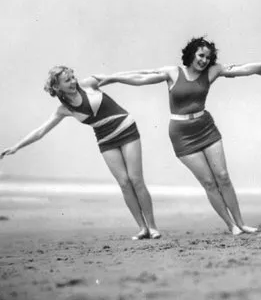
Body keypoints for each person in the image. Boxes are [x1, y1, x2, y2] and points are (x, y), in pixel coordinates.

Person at [97, 37, 261, 235]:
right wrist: (113, 78)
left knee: (223, 176)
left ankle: (240, 223)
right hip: (181, 135)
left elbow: (244, 69)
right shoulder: (173, 72)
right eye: (201, 55)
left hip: (205, 128)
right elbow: (141, 77)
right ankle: (230, 225)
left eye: (208, 57)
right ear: (191, 54)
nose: (204, 60)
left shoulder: (212, 71)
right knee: (208, 182)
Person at [0, 66, 161, 240]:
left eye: (73, 77)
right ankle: (142, 228)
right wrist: (16, 146)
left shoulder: (89, 84)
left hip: (125, 128)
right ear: (56, 87)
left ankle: (152, 227)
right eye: (67, 80)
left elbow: (118, 76)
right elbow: (41, 131)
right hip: (105, 139)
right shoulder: (64, 109)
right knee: (123, 182)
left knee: (135, 179)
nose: (73, 81)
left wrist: (153, 73)